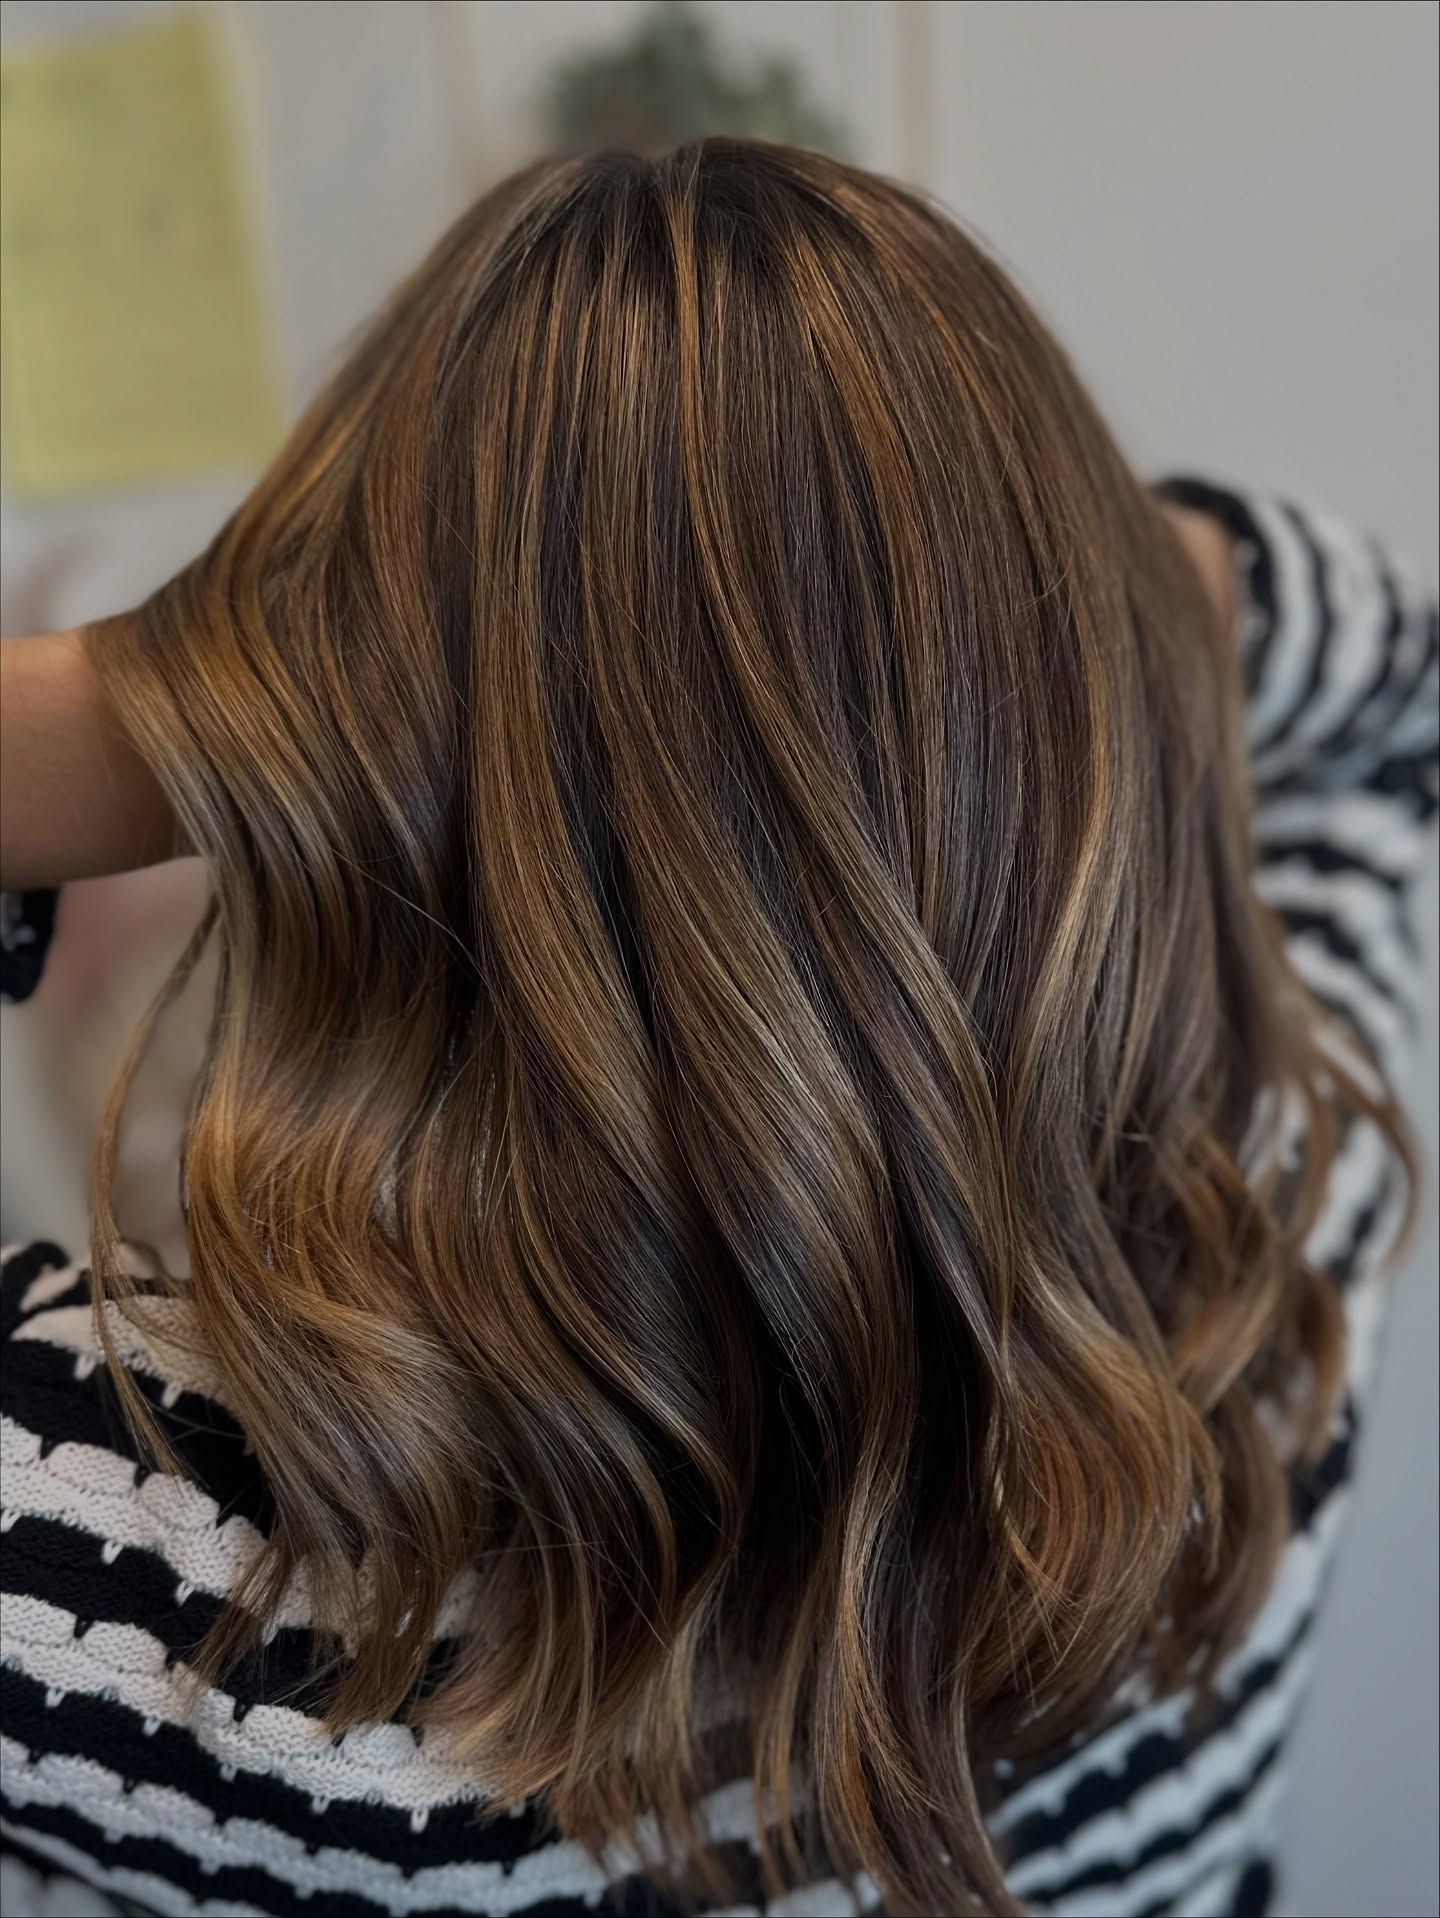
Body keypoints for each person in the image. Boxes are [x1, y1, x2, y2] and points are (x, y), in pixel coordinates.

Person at [0, 140, 1435, 1918]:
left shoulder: (160, 1595)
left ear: (362, 789)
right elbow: (1402, 690)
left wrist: (136, 717)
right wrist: (1074, 593)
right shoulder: (1269, 1278)